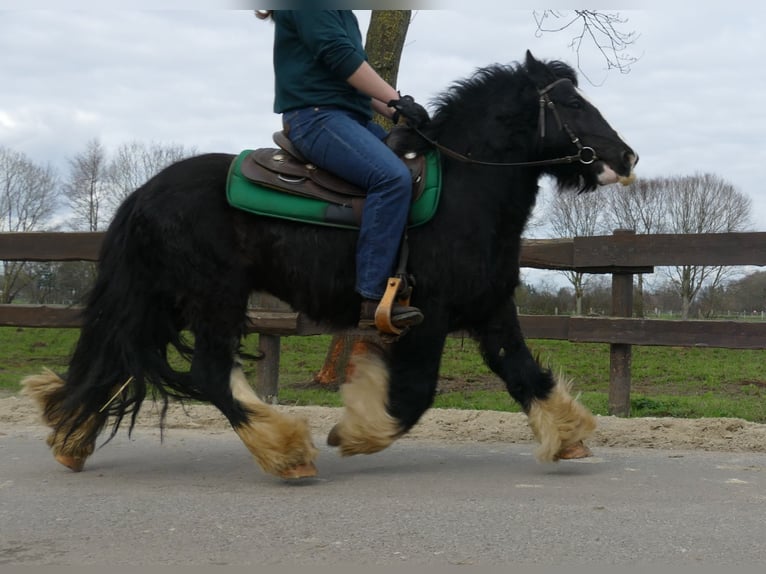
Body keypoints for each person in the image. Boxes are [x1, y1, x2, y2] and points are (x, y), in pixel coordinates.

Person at [257, 9, 429, 329]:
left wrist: (400, 109)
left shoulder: (344, 13)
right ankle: (373, 297)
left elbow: (354, 79)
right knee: (391, 178)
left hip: (353, 120)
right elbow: (340, 58)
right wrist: (396, 100)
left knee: (424, 164)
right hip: (316, 117)